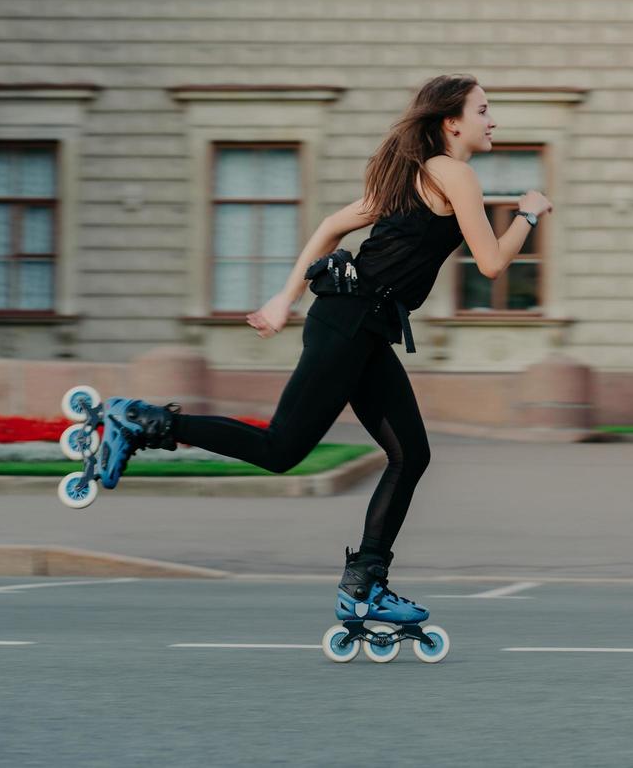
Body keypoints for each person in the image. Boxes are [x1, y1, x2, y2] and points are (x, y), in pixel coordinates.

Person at [92, 74, 552, 626]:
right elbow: (493, 264)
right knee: (281, 449)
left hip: (360, 325)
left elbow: (332, 225)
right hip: (349, 323)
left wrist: (285, 299)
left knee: (411, 455)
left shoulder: (415, 175)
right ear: (451, 121)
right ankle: (140, 422)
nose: (492, 119)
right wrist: (525, 213)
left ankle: (365, 585)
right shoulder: (455, 173)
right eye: (483, 109)